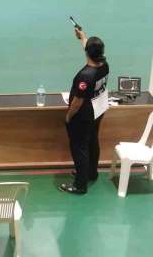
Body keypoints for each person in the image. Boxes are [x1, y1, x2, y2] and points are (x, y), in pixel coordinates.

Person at [59, 28, 109, 195]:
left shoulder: (85, 76)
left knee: (79, 148)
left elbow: (77, 102)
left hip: (82, 116)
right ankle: (91, 172)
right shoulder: (104, 65)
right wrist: (83, 37)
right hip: (97, 111)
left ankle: (80, 185)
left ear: (88, 52)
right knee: (92, 141)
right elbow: (90, 51)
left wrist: (68, 116)